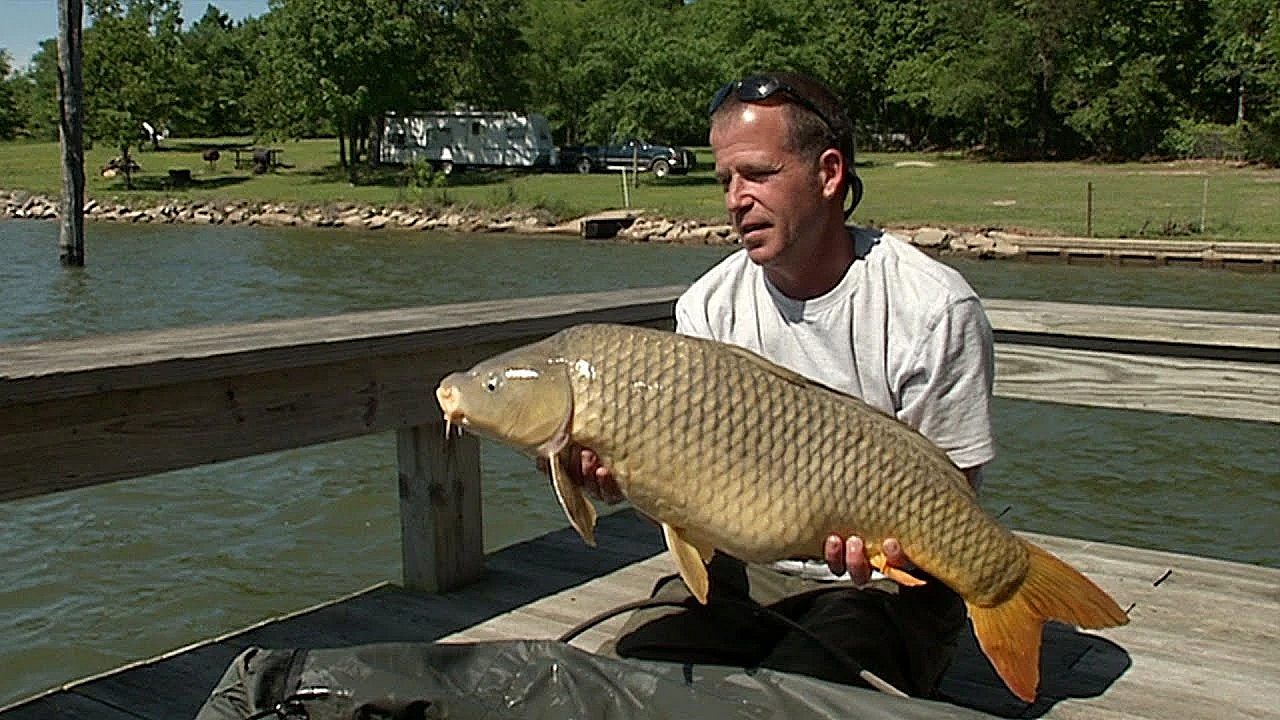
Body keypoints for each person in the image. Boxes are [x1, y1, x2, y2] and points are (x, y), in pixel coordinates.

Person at [561, 71, 996, 699]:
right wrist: (620, 480)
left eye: (757, 174)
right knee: (616, 689)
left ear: (828, 174)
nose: (735, 199)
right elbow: (685, 488)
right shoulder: (708, 306)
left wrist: (891, 557)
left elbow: (952, 502)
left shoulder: (932, 309)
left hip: (882, 590)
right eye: (725, 181)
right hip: (742, 572)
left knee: (800, 699)